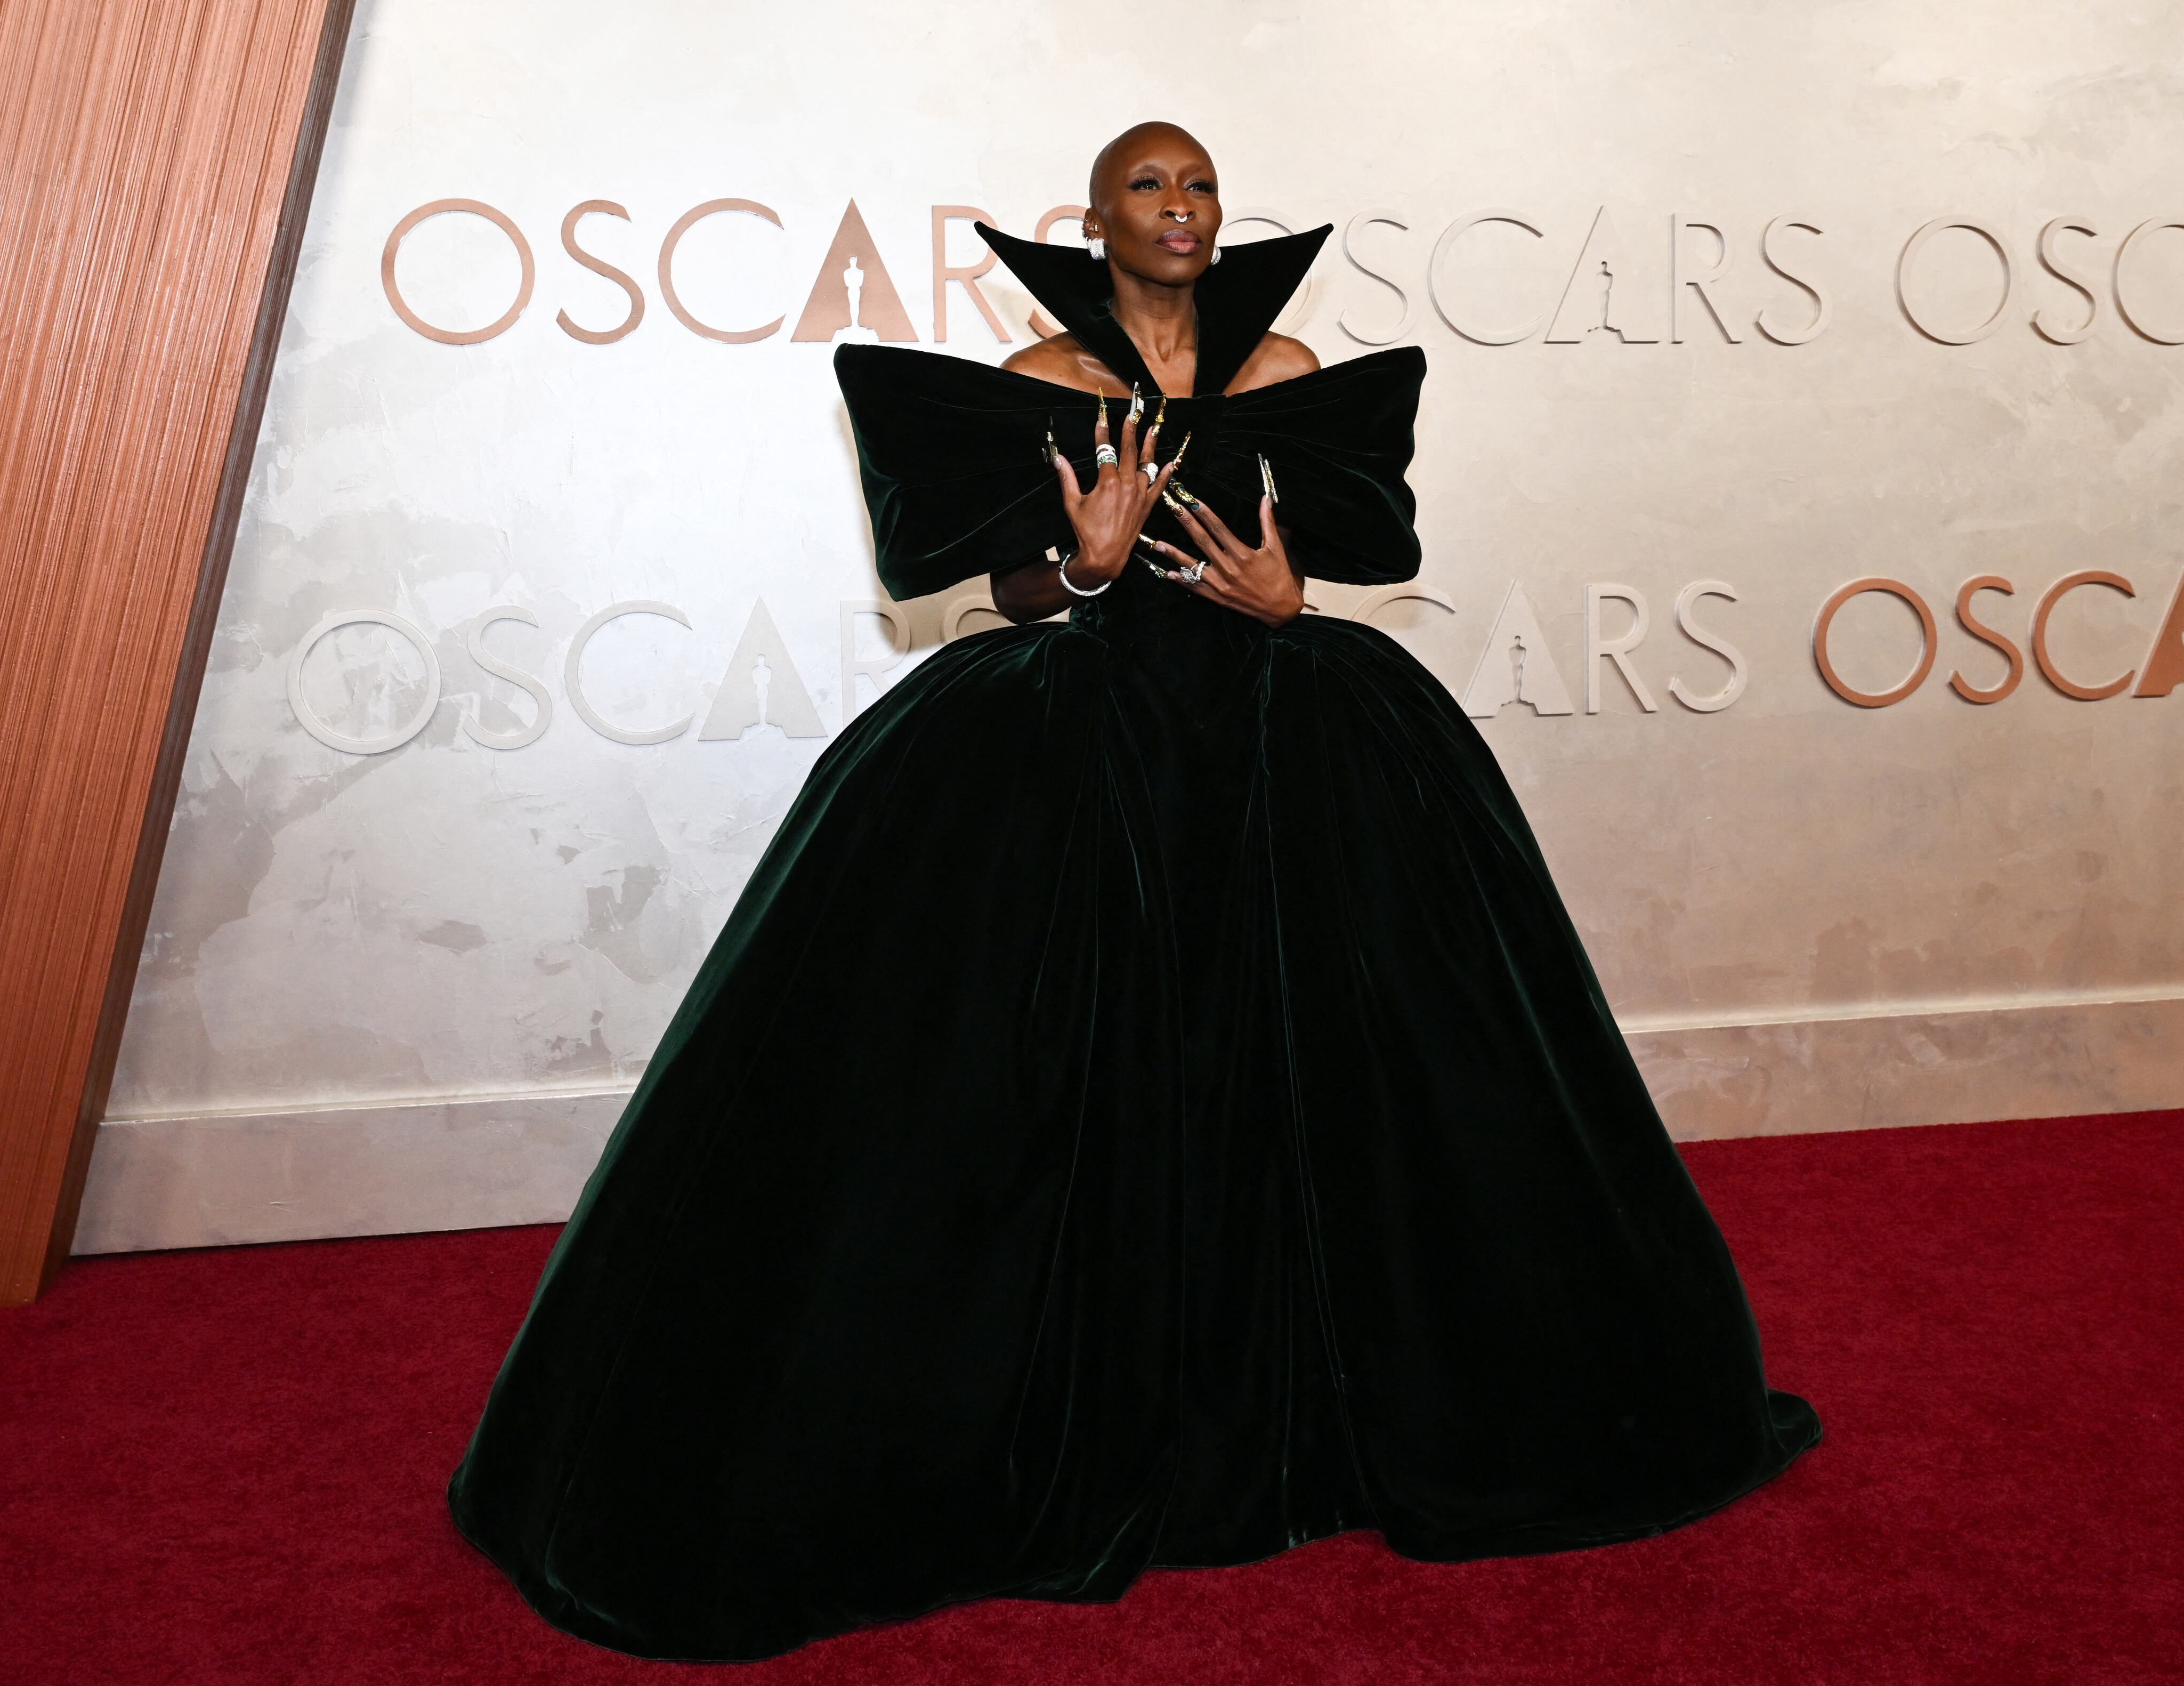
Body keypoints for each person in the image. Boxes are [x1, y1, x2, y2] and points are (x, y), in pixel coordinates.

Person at [448, 122, 1819, 1663]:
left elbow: (1328, 546)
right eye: (1152, 189)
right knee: (1004, 1084)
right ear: (1093, 220)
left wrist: (1291, 598)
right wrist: (1086, 566)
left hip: (1287, 745)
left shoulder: (1290, 362)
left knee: (1372, 1071)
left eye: (1202, 188)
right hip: (1083, 746)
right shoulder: (1039, 382)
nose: (1183, 209)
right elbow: (1007, 579)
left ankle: (1364, 1412)